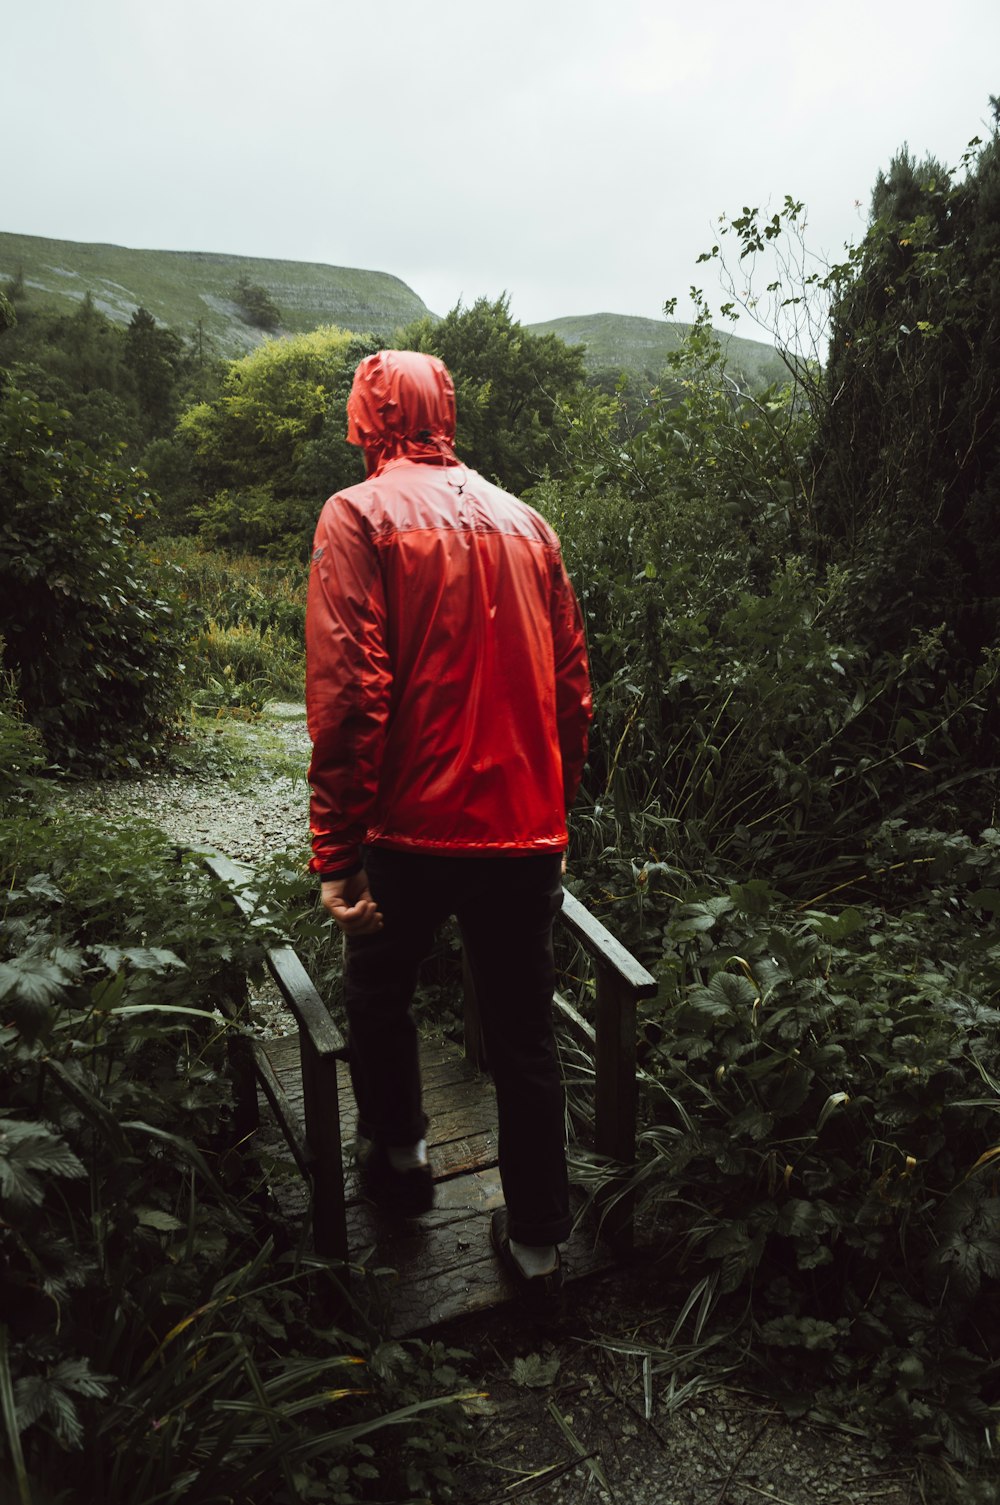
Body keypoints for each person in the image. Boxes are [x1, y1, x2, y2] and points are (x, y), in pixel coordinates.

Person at [305, 348, 591, 1297]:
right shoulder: (528, 522)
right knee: (523, 1032)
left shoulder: (357, 516)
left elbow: (351, 695)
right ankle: (543, 1242)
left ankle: (404, 1158)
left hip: (409, 835)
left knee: (382, 992)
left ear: (366, 417)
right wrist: (558, 807)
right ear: (447, 413)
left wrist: (337, 852)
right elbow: (571, 695)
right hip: (523, 835)